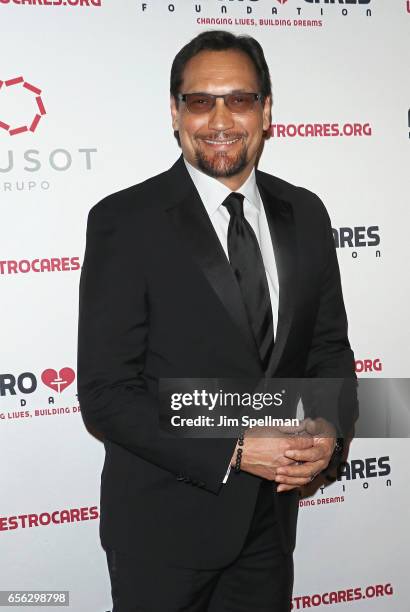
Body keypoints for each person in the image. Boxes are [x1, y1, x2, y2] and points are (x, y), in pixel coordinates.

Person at [77, 30, 356, 612]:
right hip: (162, 532)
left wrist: (329, 430)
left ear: (267, 110)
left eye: (241, 99)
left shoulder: (305, 212)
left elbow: (328, 349)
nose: (221, 119)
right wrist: (233, 445)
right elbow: (107, 393)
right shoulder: (124, 221)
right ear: (175, 112)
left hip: (269, 527)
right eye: (201, 101)